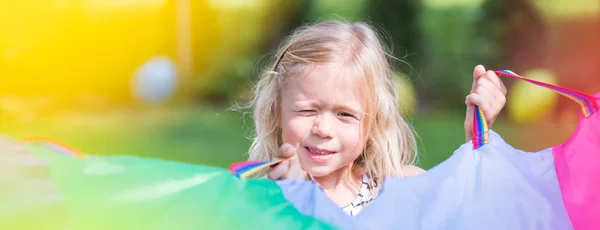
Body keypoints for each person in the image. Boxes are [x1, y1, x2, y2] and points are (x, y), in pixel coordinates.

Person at [244, 20, 506, 217]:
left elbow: (474, 215)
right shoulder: (258, 206)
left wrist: (477, 139)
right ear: (276, 110)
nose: (323, 128)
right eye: (307, 110)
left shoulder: (404, 187)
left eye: (345, 114)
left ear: (373, 122)